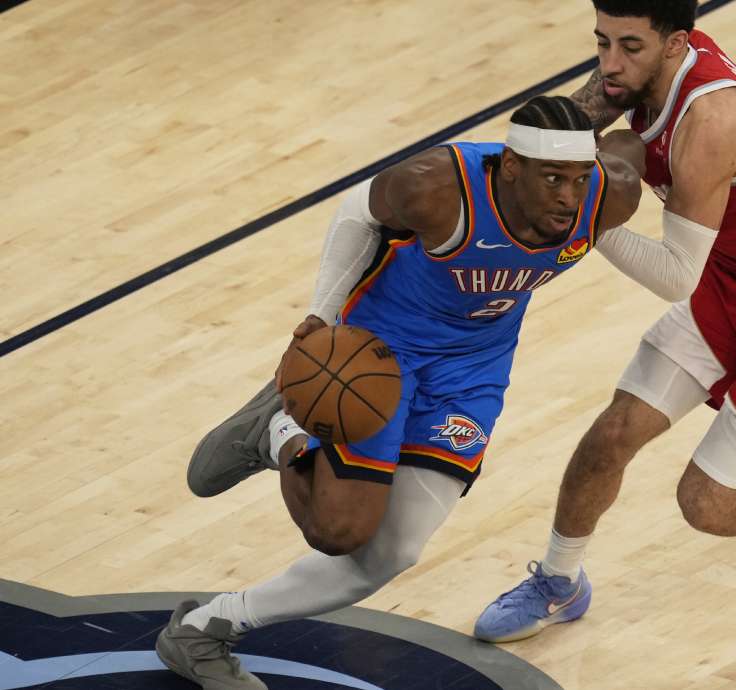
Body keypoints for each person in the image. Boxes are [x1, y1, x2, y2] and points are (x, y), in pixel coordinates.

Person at [154, 95, 645, 689]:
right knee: (337, 533)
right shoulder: (435, 187)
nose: (569, 198)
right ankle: (281, 428)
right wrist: (319, 320)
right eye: (552, 179)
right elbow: (355, 211)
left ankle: (205, 627)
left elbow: (629, 147)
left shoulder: (607, 195)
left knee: (392, 554)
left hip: (473, 370)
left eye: (578, 179)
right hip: (381, 353)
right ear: (512, 168)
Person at [474, 1, 736, 643]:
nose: (610, 65)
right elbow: (556, 139)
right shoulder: (638, 72)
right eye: (602, 42)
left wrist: (586, 220)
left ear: (676, 44)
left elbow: (675, 275)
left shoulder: (712, 123)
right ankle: (559, 584)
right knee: (611, 434)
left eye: (630, 48)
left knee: (707, 505)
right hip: (735, 285)